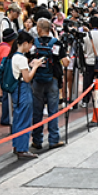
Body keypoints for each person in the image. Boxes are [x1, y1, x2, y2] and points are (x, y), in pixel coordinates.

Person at [7, 31, 44, 159]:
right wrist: (36, 67)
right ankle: (23, 149)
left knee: (18, 118)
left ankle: (17, 146)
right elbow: (27, 78)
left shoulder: (14, 56)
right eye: (30, 45)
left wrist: (30, 65)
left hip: (16, 90)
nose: (31, 48)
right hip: (23, 89)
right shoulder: (21, 58)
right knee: (24, 119)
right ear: (25, 43)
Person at [30, 18, 65, 150]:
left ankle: (37, 140)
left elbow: (29, 59)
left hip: (37, 79)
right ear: (51, 28)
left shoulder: (34, 43)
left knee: (37, 111)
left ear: (38, 29)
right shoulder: (56, 43)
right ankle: (53, 139)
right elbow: (66, 62)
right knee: (53, 110)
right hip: (53, 79)